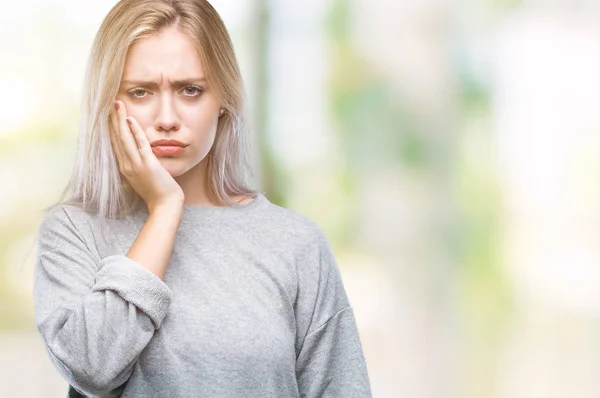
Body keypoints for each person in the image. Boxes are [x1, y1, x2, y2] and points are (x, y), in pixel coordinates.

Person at [33, 0, 372, 397]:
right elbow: (90, 368)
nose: (166, 117)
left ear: (223, 99)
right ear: (108, 104)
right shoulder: (74, 232)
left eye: (190, 90)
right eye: (140, 92)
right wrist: (163, 211)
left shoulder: (296, 244)